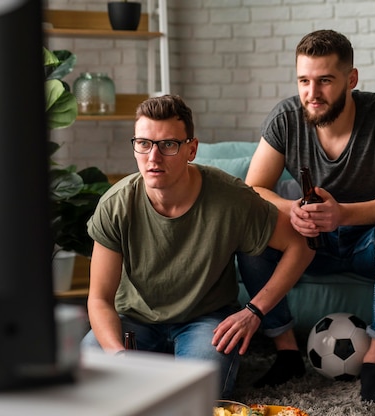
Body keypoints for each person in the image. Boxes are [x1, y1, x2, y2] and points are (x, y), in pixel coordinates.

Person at [237, 29, 375, 402]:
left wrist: (342, 214)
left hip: (367, 243)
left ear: (351, 80)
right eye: (304, 81)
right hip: (308, 244)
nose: (312, 93)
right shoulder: (286, 118)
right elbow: (254, 189)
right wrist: (292, 210)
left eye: (325, 80)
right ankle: (287, 351)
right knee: (252, 231)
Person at [81, 94, 314, 398]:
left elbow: (302, 246)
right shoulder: (116, 205)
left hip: (204, 321)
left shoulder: (231, 197)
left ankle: (167, 371)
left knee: (197, 396)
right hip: (134, 320)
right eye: (144, 143)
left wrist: (254, 311)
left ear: (191, 148)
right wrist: (118, 356)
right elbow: (99, 299)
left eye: (168, 144)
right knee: (90, 378)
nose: (153, 157)